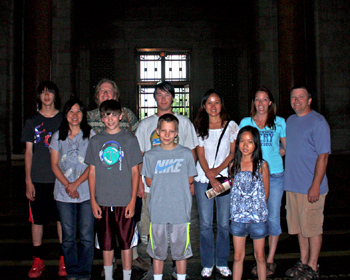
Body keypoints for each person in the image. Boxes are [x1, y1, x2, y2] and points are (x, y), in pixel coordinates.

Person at [135, 81, 198, 280]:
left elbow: (192, 156)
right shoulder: (146, 126)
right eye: (159, 95)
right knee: (154, 238)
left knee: (179, 242)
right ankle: (156, 272)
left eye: (167, 95)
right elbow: (141, 159)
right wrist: (139, 183)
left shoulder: (184, 125)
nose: (163, 98)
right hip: (155, 196)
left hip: (178, 199)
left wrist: (188, 184)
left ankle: (178, 274)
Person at [87, 78, 148, 273]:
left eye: (109, 91)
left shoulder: (128, 134)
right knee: (105, 240)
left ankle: (128, 273)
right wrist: (93, 201)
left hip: (123, 196)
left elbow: (135, 166)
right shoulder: (94, 135)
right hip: (103, 197)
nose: (110, 119)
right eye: (102, 92)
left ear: (120, 116)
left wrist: (133, 197)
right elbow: (92, 171)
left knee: (127, 239)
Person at [284, 86, 331, 280]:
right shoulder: (290, 121)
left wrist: (315, 185)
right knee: (299, 228)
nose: (296, 100)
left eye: (301, 97)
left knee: (312, 228)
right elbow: (285, 149)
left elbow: (323, 157)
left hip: (310, 186)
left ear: (309, 100)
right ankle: (303, 262)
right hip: (292, 185)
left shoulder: (318, 122)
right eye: (293, 97)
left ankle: (313, 266)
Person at [239, 86, 286, 277]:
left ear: (270, 103)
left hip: (274, 175)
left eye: (264, 99)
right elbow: (240, 146)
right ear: (254, 103)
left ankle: (269, 259)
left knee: (273, 217)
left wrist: (274, 156)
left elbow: (286, 147)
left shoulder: (280, 122)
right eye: (257, 99)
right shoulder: (246, 122)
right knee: (255, 218)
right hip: (251, 177)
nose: (261, 103)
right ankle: (259, 256)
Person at [21, 81, 67, 278]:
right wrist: (28, 181)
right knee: (37, 220)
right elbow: (29, 153)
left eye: (50, 92)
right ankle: (37, 259)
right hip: (38, 178)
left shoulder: (63, 119)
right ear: (39, 96)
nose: (47, 95)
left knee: (62, 219)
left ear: (56, 95)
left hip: (60, 179)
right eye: (43, 92)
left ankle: (64, 259)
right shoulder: (32, 121)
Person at [193, 89, 239, 278]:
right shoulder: (198, 127)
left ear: (221, 105)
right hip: (203, 179)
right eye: (209, 103)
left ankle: (221, 261)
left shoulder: (231, 126)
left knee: (223, 224)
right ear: (204, 106)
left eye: (217, 102)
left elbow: (232, 153)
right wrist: (210, 176)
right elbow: (200, 154)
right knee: (204, 224)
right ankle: (207, 263)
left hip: (224, 179)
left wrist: (217, 171)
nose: (213, 106)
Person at [50, 99, 95, 280]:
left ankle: (85, 272)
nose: (75, 115)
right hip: (63, 194)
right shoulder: (57, 136)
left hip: (85, 193)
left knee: (86, 236)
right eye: (71, 111)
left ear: (83, 114)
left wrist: (76, 184)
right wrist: (68, 185)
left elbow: (92, 164)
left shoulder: (90, 135)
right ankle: (72, 270)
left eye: (78, 111)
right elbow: (54, 164)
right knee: (68, 236)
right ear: (65, 114)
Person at [229, 126, 270, 280]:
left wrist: (256, 209)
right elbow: (234, 189)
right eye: (242, 141)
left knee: (260, 256)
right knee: (238, 256)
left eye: (250, 142)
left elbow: (266, 192)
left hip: (257, 219)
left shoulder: (262, 165)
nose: (245, 145)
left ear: (256, 144)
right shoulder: (234, 165)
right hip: (238, 219)